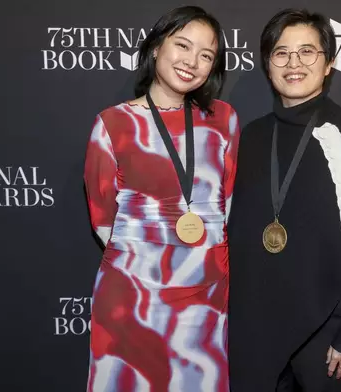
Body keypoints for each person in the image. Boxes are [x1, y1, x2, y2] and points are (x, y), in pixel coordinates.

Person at [227, 8, 341, 392]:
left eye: (307, 52)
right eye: (281, 53)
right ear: (267, 63)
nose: (294, 63)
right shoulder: (250, 136)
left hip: (329, 335)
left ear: (328, 63)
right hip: (255, 335)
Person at [83, 6, 239, 392]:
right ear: (156, 47)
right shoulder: (112, 123)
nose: (193, 62)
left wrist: (196, 261)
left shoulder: (224, 119)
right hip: (133, 293)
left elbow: (227, 204)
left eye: (206, 55)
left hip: (204, 291)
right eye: (183, 46)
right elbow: (103, 221)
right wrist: (150, 264)